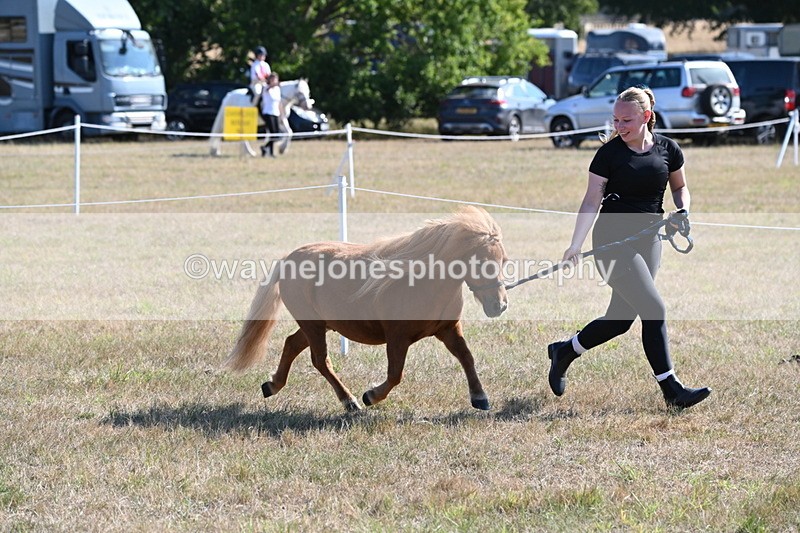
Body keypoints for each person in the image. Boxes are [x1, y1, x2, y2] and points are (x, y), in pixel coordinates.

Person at [547, 86, 711, 409]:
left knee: (621, 318)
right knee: (655, 309)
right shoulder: (609, 155)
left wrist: (683, 211)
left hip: (650, 240)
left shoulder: (668, 150)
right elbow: (592, 199)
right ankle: (672, 390)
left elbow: (680, 188)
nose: (619, 127)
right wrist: (575, 244)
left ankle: (565, 351)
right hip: (612, 242)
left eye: (627, 121)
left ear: (647, 117)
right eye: (616, 120)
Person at [259, 72, 281, 158]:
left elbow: (278, 102)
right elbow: (268, 89)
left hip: (275, 112)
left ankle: (265, 147)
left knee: (276, 134)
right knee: (272, 133)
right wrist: (272, 85)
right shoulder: (266, 88)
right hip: (268, 112)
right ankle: (270, 152)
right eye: (272, 79)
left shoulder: (277, 89)